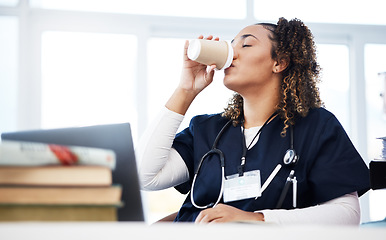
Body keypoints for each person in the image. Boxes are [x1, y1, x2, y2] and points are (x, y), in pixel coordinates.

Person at [136, 17, 370, 224]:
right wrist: (186, 90)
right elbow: (145, 176)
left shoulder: (316, 126)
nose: (232, 53)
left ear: (279, 62)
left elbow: (346, 215)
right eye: (231, 45)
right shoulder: (207, 130)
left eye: (246, 44)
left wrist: (257, 219)